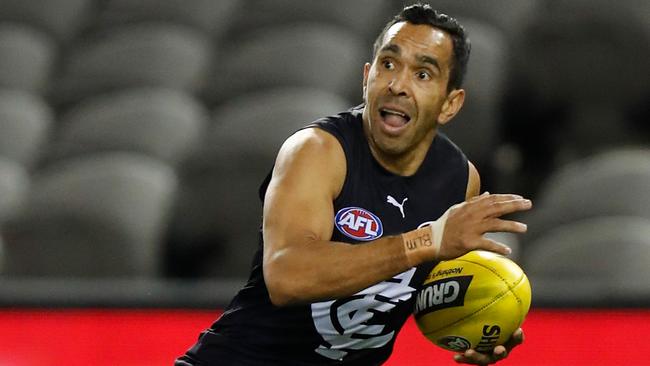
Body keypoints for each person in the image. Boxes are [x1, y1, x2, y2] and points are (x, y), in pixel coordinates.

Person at [176, 4, 532, 365]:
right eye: (388, 64)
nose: (397, 85)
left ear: (450, 105)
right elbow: (287, 276)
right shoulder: (316, 151)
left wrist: (477, 323)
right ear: (367, 77)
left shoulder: (459, 179)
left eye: (423, 74)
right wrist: (425, 241)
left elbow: (417, 288)